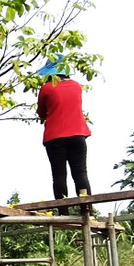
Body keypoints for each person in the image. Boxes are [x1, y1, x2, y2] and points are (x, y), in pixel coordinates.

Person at [36, 54, 92, 215]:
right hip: (77, 135)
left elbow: (41, 113)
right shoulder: (77, 86)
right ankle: (87, 209)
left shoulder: (46, 88)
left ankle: (63, 213)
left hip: (54, 137)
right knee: (80, 172)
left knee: (59, 175)